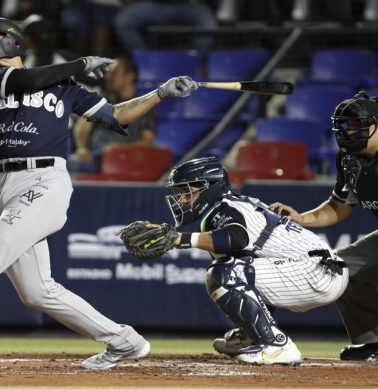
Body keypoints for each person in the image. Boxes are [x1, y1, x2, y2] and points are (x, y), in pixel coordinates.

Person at [0, 16, 198, 373]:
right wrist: (78, 64)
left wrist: (160, 93)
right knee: (36, 291)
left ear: (13, 43)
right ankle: (125, 341)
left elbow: (115, 115)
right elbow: (26, 79)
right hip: (0, 185)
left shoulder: (63, 87)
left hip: (45, 181)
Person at [144, 156, 348, 364]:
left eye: (188, 192)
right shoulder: (229, 205)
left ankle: (276, 345)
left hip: (315, 270)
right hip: (317, 268)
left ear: (209, 188)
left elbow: (237, 238)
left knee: (224, 273)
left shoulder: (223, 209)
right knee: (240, 269)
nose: (183, 200)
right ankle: (252, 336)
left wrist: (180, 239)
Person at [270, 91, 378, 361]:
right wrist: (301, 218)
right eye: (347, 126)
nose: (351, 132)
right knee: (340, 270)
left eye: (358, 126)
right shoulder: (350, 158)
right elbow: (338, 205)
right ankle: (372, 341)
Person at [69, 55, 157, 173]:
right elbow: (82, 126)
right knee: (74, 163)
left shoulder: (145, 105)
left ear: (130, 76)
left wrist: (122, 149)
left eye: (114, 73)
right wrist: (82, 148)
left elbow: (147, 141)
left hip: (127, 161)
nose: (108, 77)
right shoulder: (102, 98)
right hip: (95, 158)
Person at [115, 0, 217, 56]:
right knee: (124, 22)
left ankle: (193, 59)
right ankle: (147, 58)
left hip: (187, 6)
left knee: (209, 26)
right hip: (157, 5)